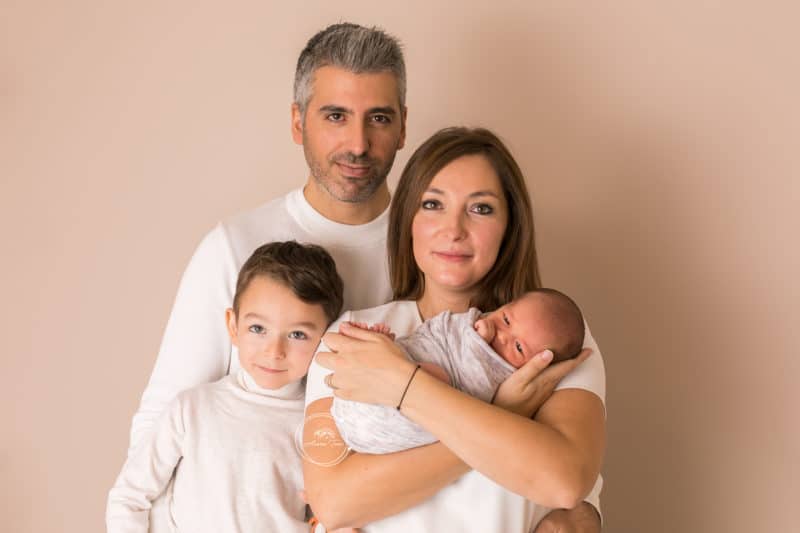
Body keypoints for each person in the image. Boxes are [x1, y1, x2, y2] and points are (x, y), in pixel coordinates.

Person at [123, 21, 600, 532]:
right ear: (297, 121)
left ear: (401, 128)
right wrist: (502, 416)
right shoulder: (238, 252)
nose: (357, 142)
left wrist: (577, 515)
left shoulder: (534, 330)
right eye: (335, 116)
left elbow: (566, 484)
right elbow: (169, 421)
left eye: (377, 117)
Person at [303, 127, 607, 532]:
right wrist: (504, 413)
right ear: (407, 219)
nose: (454, 229)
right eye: (432, 204)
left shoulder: (549, 341)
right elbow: (335, 501)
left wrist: (405, 386)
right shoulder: (358, 334)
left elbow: (563, 482)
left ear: (510, 226)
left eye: (481, 209)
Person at [106, 241, 343, 533]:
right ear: (233, 326)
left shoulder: (322, 424)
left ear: (325, 337)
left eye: (297, 334)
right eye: (258, 329)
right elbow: (129, 496)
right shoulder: (192, 408)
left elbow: (328, 514)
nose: (274, 351)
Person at [331, 288, 586, 454]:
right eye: (506, 320)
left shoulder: (514, 376)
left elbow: (474, 390)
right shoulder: (368, 314)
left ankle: (402, 367)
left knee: (440, 380)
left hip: (398, 425)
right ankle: (396, 359)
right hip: (350, 411)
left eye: (519, 348)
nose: (504, 337)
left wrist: (476, 342)